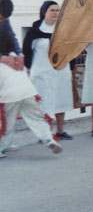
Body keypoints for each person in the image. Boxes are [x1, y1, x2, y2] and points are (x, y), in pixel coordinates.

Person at [0, 30, 62, 158]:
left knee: (7, 122)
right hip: (28, 91)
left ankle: (2, 147)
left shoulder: (3, 61)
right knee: (36, 118)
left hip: (9, 95)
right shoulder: (17, 57)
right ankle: (48, 139)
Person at [23, 1, 74, 140]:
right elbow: (27, 51)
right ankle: (45, 133)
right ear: (44, 12)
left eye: (57, 10)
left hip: (60, 72)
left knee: (61, 101)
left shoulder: (63, 29)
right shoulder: (35, 31)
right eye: (52, 10)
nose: (55, 13)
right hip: (42, 74)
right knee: (43, 104)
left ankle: (60, 131)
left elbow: (71, 50)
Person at [0, 0, 24, 71]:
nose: (1, 21)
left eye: (4, 19)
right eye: (0, 18)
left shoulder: (5, 20)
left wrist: (19, 54)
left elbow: (12, 37)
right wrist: (1, 58)